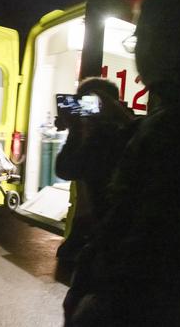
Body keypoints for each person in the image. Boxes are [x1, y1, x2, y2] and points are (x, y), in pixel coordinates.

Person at [64, 0, 180, 325]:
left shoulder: (163, 134)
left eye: (140, 37)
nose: (137, 50)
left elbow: (142, 255)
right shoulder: (149, 128)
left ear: (168, 41)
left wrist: (92, 308)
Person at [54, 77, 135, 262]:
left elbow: (67, 170)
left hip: (109, 228)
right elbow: (66, 170)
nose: (86, 110)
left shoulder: (113, 136)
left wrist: (77, 131)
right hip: (95, 224)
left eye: (91, 103)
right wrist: (77, 129)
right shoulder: (111, 131)